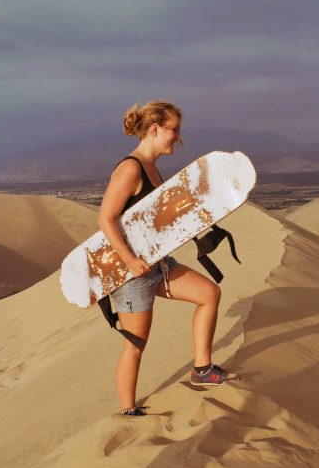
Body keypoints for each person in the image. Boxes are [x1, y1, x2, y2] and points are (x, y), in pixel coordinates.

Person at [98, 100, 229, 416]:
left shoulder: (152, 168)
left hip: (158, 265)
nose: (178, 138)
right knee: (135, 344)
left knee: (209, 294)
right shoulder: (130, 168)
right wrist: (129, 261)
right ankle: (128, 411)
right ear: (155, 129)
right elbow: (105, 218)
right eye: (174, 130)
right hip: (132, 274)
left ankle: (202, 369)